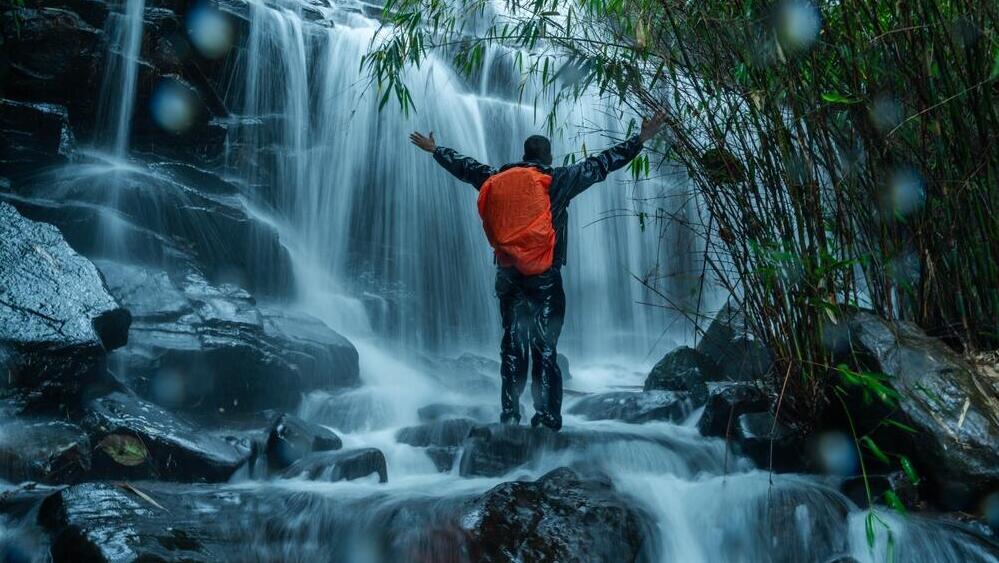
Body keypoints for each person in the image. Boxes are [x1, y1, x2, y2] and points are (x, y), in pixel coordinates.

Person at [410, 114, 669, 430]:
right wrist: (639, 140)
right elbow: (602, 164)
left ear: (523, 156)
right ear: (547, 157)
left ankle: (510, 414)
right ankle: (545, 419)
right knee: (544, 347)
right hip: (544, 276)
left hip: (507, 274)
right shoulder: (557, 180)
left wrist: (436, 150)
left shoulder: (496, 178)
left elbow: (467, 168)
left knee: (512, 343)